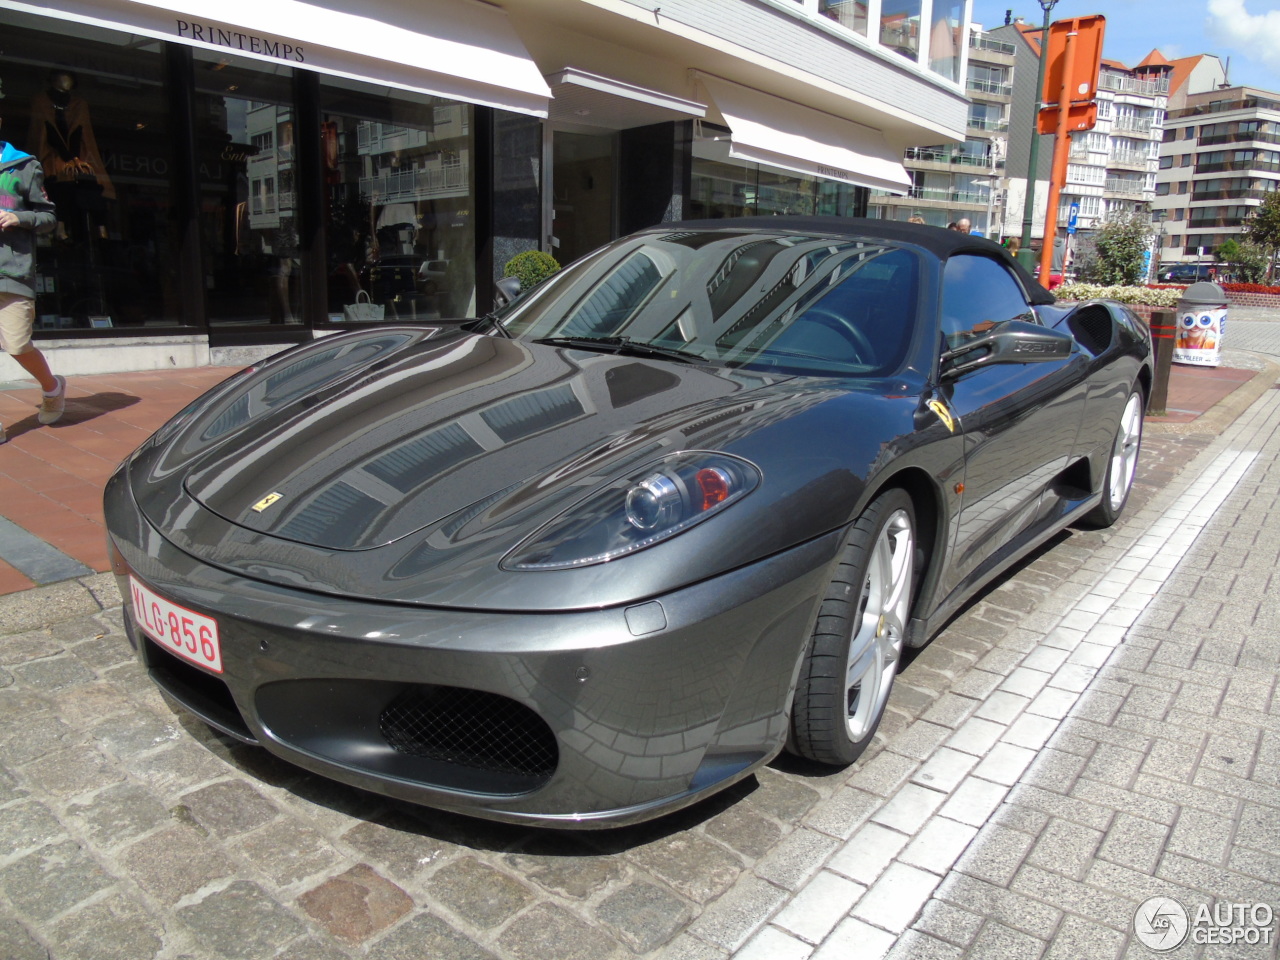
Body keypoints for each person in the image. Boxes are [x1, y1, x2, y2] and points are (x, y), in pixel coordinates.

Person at [0, 113, 65, 442]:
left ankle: (52, 388)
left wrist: (17, 216)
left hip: (11, 272)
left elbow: (48, 216)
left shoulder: (23, 165)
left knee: (16, 344)